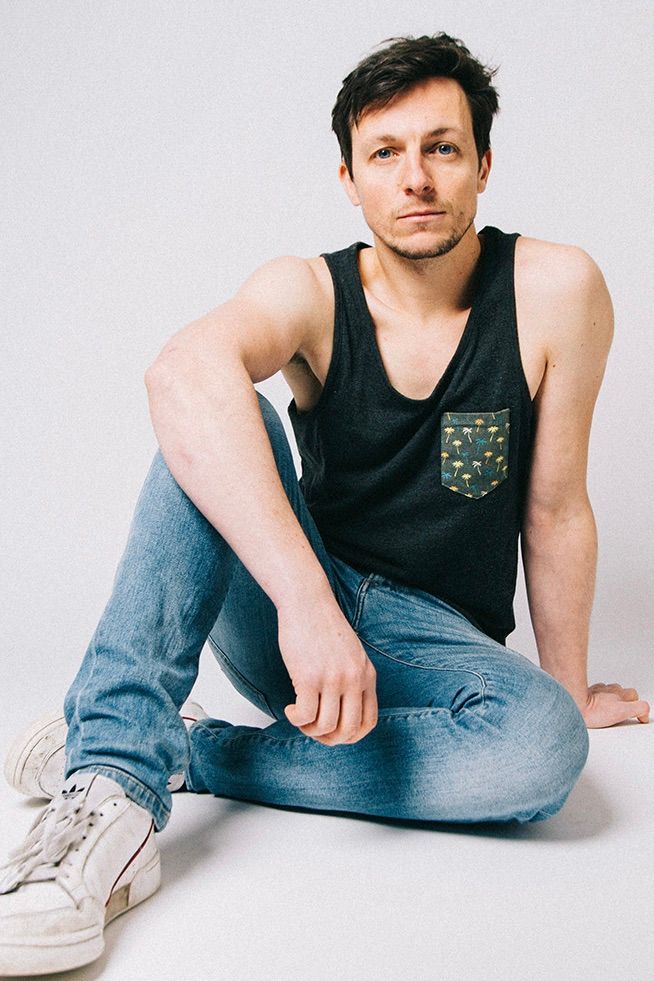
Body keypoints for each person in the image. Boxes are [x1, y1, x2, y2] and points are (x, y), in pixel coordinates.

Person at [0, 31, 649, 976]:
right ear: (349, 178)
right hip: (299, 624)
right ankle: (111, 781)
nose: (415, 178)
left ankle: (193, 751)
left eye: (442, 147)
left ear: (483, 164)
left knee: (543, 746)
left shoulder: (556, 290)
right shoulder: (308, 289)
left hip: (432, 648)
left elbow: (555, 510)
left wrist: (569, 686)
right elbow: (180, 373)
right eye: (385, 153)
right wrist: (308, 605)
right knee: (217, 413)